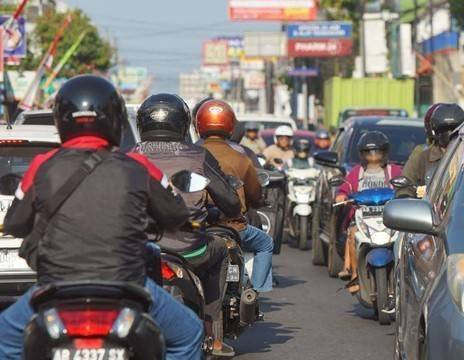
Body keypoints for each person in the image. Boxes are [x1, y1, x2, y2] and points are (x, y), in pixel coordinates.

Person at [0, 75, 203, 359]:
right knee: (189, 333)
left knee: (6, 341)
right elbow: (175, 214)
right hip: (126, 285)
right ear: (115, 118)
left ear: (62, 119)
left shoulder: (42, 166)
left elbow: (14, 224)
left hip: (56, 287)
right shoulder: (138, 166)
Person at [134, 93, 241, 357]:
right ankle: (212, 334)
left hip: (138, 248)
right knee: (222, 252)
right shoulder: (197, 156)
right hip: (189, 249)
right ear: (183, 124)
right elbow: (231, 203)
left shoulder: (128, 157)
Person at [196, 99, 274, 294]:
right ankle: (254, 292)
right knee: (266, 243)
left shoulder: (191, 153)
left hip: (199, 227)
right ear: (231, 125)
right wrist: (257, 201)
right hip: (234, 228)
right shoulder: (241, 157)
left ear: (199, 125)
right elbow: (254, 193)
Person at [334, 131, 402, 309]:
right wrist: (341, 196)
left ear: (385, 152)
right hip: (363, 218)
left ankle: (404, 275)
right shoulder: (356, 172)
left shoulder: (393, 170)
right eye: (369, 152)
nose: (373, 157)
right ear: (362, 154)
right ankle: (355, 273)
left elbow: (404, 185)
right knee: (353, 233)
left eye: (377, 152)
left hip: (389, 218)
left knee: (406, 239)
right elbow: (344, 188)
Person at [397, 103, 464, 198]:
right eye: (444, 129)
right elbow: (405, 186)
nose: (450, 133)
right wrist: (405, 199)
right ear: (435, 132)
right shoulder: (423, 157)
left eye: (455, 129)